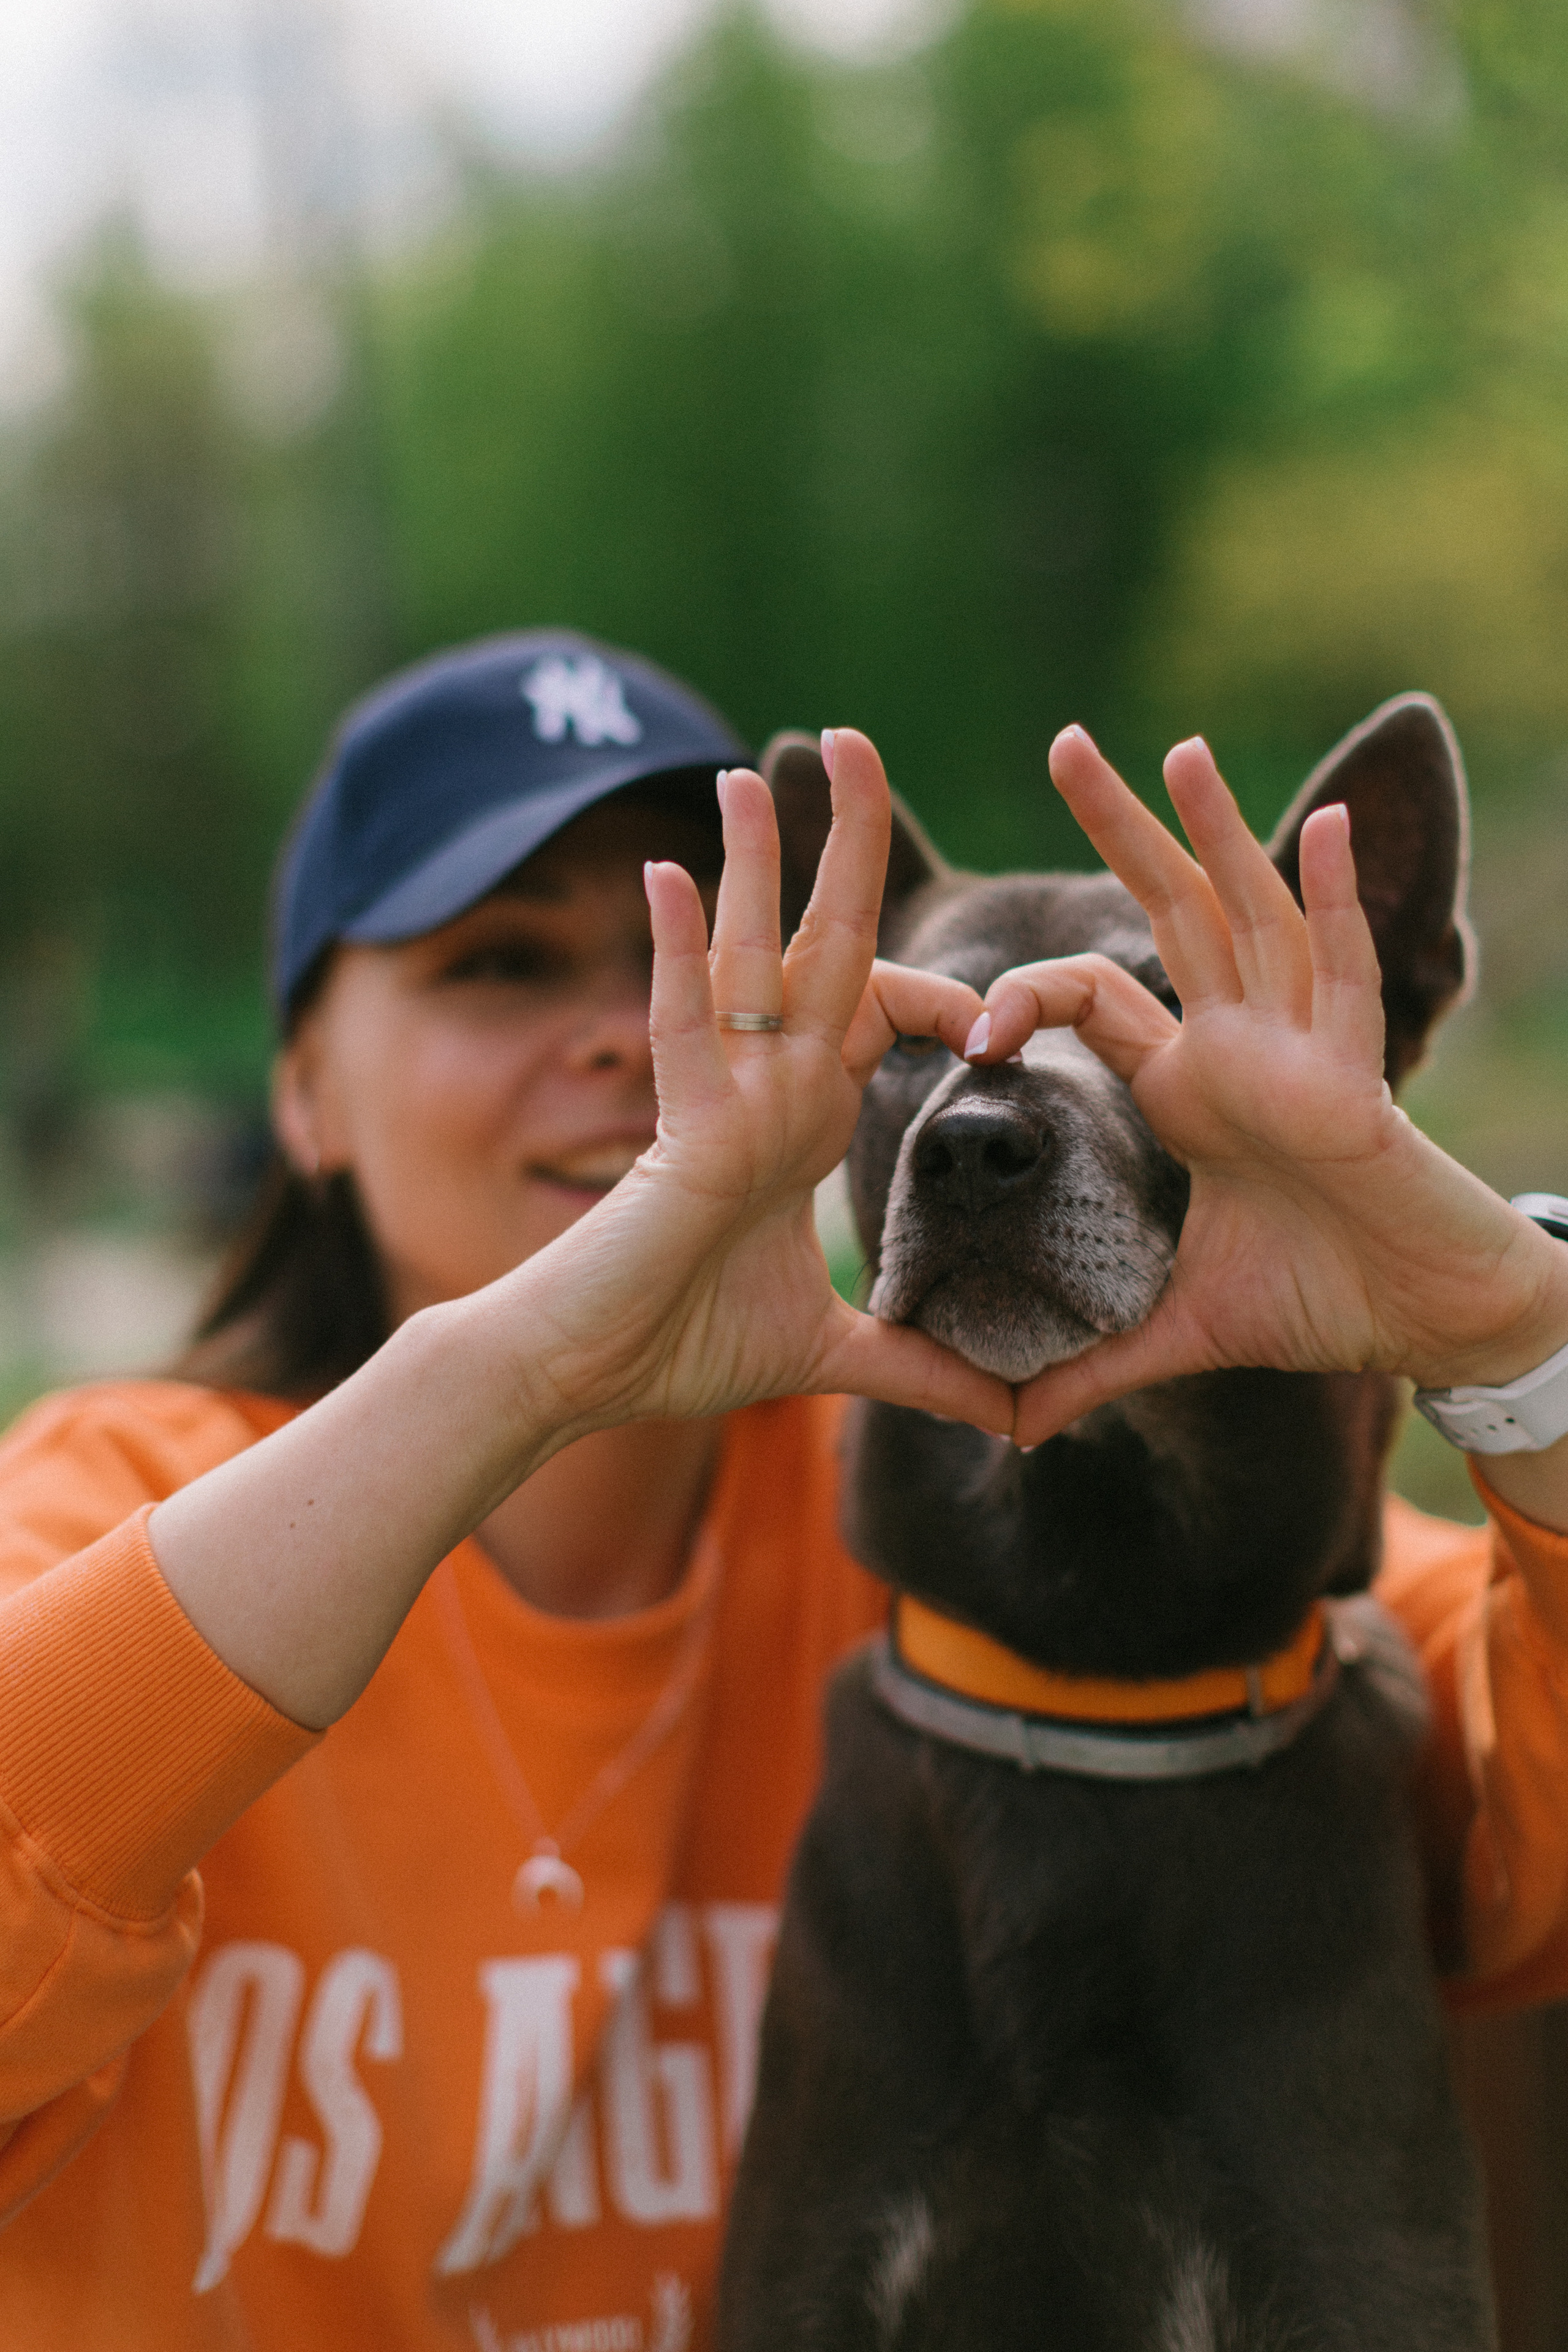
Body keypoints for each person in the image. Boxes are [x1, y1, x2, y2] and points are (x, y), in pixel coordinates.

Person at [0, 628, 1564, 2351]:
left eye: (718, 952)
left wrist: (1513, 1329)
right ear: (302, 1090)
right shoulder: (114, 1505)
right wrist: (506, 1378)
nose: (640, 1034)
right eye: (503, 964)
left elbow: (1528, 1782)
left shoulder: (987, 1552)